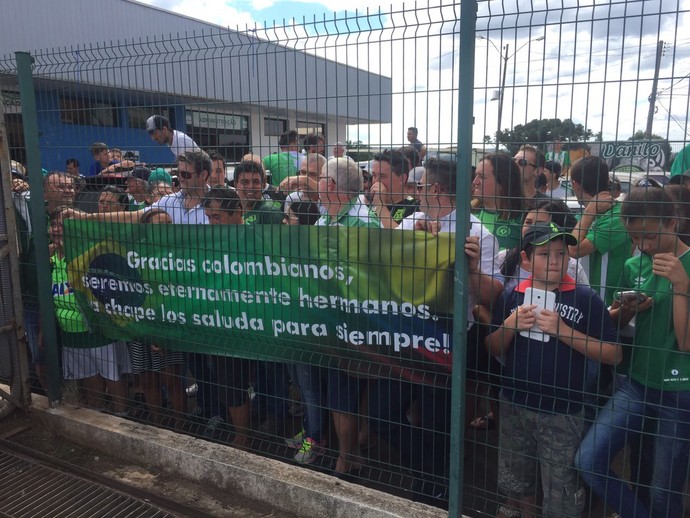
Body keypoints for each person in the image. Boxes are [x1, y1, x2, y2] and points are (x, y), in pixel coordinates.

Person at [485, 222, 620, 518]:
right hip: (516, 404)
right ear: (525, 259)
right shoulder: (511, 296)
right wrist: (509, 326)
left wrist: (564, 331)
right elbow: (493, 349)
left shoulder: (586, 299)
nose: (556, 261)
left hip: (563, 411)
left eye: (561, 253)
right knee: (519, 481)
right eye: (545, 254)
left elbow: (613, 354)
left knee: (561, 489)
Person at [576, 187, 690, 518]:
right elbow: (617, 324)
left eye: (650, 236)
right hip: (637, 381)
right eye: (636, 237)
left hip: (680, 391)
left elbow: (686, 343)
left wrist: (682, 287)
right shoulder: (634, 263)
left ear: (673, 222)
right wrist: (625, 308)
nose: (645, 245)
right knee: (589, 459)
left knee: (663, 491)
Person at [316, 157, 381, 478]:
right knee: (344, 390)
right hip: (329, 318)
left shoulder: (362, 222)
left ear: (330, 185)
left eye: (319, 178)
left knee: (344, 392)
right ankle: (352, 451)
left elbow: (367, 278)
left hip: (351, 323)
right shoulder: (327, 217)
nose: (315, 183)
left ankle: (347, 458)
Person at [49, 206, 132, 415]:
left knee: (112, 376)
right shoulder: (49, 259)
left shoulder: (88, 253)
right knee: (89, 377)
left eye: (63, 225)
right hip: (71, 333)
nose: (58, 229)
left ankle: (122, 418)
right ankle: (97, 417)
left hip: (98, 330)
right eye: (54, 224)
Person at [568, 155, 633, 305]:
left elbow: (573, 250)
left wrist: (589, 212)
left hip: (608, 304)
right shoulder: (584, 216)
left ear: (575, 185)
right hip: (584, 302)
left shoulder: (617, 216)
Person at [472, 153, 525, 250]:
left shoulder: (525, 218)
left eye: (482, 177)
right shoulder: (467, 212)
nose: (475, 182)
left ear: (502, 183)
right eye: (476, 175)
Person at [368, 149, 419, 228]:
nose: (376, 181)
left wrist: (380, 205)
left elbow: (398, 238)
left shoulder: (415, 208)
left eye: (382, 176)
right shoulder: (368, 205)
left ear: (402, 179)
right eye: (374, 176)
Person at [234, 160, 285, 225]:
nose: (251, 187)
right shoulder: (231, 211)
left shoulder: (270, 212)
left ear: (263, 185)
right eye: (245, 182)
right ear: (235, 184)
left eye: (256, 182)